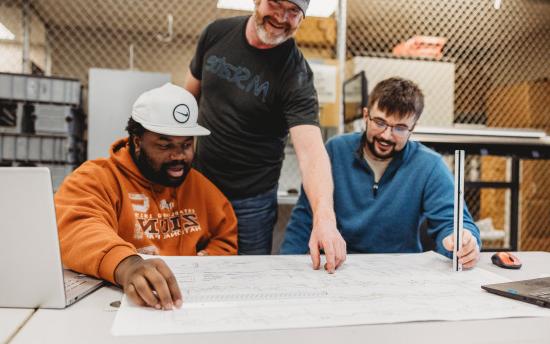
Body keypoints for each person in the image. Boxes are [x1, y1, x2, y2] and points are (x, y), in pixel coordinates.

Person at [184, 0, 346, 271]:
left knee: (247, 276)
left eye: (293, 12)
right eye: (275, 4)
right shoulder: (216, 33)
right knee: (190, 268)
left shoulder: (295, 75)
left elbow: (311, 153)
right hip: (198, 186)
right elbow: (187, 99)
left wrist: (325, 218)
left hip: (251, 202)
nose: (282, 17)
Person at [55, 83, 238, 310]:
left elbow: (225, 234)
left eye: (187, 144)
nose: (178, 156)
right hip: (117, 305)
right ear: (137, 141)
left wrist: (207, 261)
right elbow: (77, 227)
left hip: (182, 305)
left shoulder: (200, 187)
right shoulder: (96, 178)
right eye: (165, 145)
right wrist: (126, 264)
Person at [281, 77, 481, 268]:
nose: (386, 135)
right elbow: (304, 220)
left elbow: (455, 222)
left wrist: (464, 242)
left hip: (401, 271)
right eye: (380, 122)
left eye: (400, 128)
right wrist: (287, 266)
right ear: (366, 115)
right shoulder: (335, 151)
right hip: (337, 266)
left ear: (413, 128)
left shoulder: (429, 165)